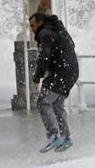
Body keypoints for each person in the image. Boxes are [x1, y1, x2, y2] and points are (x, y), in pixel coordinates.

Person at [29, 12, 79, 153]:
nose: (31, 28)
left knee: (43, 102)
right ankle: (66, 137)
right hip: (72, 71)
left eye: (33, 25)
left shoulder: (44, 33)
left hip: (61, 72)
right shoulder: (58, 28)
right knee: (56, 103)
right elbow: (71, 45)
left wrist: (38, 76)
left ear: (40, 23)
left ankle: (53, 136)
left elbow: (44, 56)